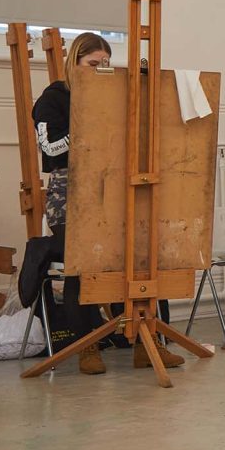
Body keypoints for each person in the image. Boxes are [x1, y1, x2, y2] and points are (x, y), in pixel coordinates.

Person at [32, 32, 184, 374]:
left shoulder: (114, 95)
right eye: (92, 64)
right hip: (69, 192)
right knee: (81, 270)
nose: (100, 70)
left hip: (111, 189)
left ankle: (145, 344)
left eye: (105, 64)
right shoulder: (54, 98)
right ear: (75, 62)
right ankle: (88, 348)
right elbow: (50, 147)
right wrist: (88, 126)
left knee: (133, 264)